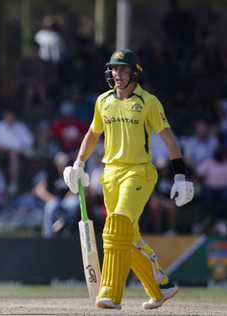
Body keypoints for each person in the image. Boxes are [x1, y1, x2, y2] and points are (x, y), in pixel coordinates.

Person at [62, 49, 194, 310]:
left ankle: (110, 292)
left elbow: (168, 137)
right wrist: (78, 163)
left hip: (139, 172)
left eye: (122, 69)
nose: (117, 74)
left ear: (134, 72)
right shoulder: (103, 101)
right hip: (110, 173)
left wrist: (180, 175)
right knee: (126, 237)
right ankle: (161, 287)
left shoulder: (148, 102)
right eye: (113, 69)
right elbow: (92, 133)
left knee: (117, 224)